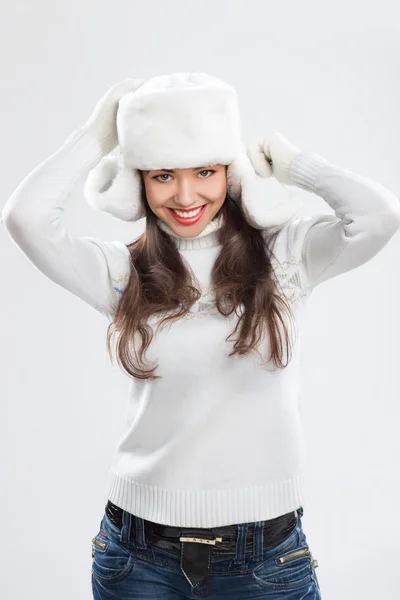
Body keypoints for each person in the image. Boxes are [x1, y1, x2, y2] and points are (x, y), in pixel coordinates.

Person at [2, 72, 400, 600]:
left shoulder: (285, 256)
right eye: (163, 174)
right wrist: (99, 137)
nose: (186, 196)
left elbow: (378, 217)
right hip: (136, 556)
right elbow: (26, 218)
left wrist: (292, 163)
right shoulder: (122, 272)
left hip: (265, 559)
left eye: (206, 171)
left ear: (230, 173)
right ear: (139, 179)